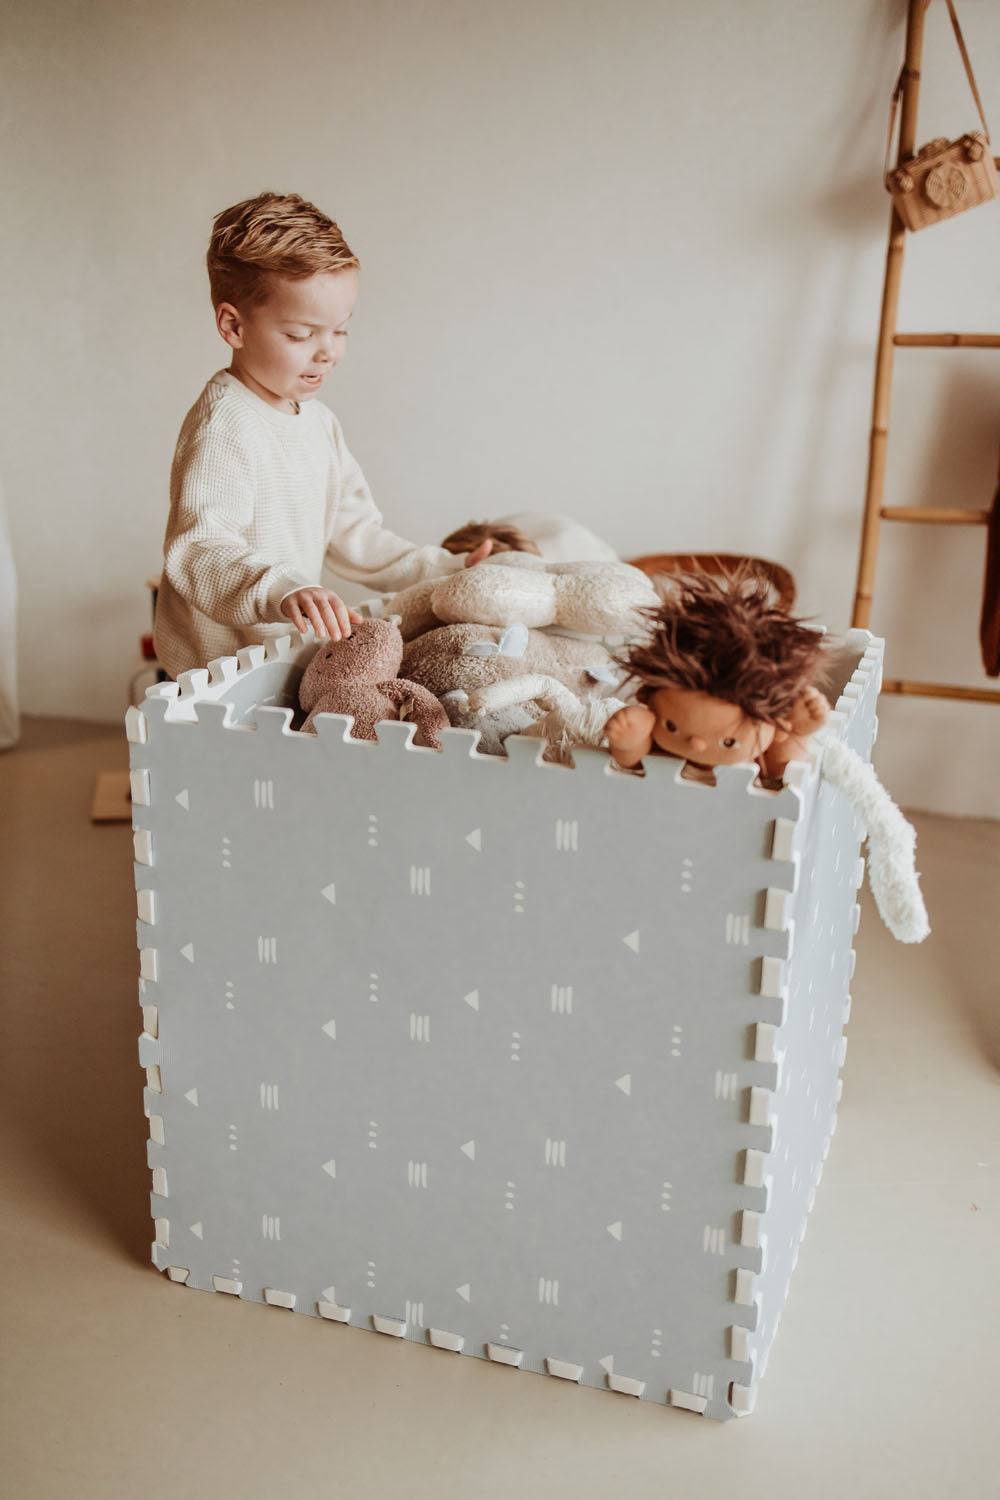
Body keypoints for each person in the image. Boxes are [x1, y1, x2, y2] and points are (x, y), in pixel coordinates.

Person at [153, 191, 490, 680]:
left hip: (275, 659)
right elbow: (201, 549)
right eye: (300, 334)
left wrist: (446, 569)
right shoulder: (224, 425)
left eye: (341, 330)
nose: (328, 352)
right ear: (233, 326)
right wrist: (283, 589)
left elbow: (357, 535)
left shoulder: (318, 421)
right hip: (211, 675)